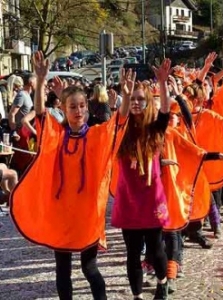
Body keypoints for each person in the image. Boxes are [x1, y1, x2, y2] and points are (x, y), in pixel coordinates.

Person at [10, 51, 132, 300]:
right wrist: (41, 81)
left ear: (87, 107)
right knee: (63, 270)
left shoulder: (97, 135)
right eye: (72, 107)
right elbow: (42, 116)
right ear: (64, 109)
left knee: (90, 269)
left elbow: (118, 124)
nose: (78, 110)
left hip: (87, 213)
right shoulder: (57, 136)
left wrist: (127, 98)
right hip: (62, 213)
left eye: (81, 106)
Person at [111, 59, 172, 300]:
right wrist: (125, 96)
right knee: (132, 252)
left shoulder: (155, 128)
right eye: (133, 99)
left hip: (151, 198)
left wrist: (163, 83)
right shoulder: (122, 129)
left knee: (156, 249)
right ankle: (137, 296)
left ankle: (163, 283)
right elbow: (120, 118)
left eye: (140, 99)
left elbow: (166, 110)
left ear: (148, 102)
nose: (136, 103)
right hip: (129, 199)